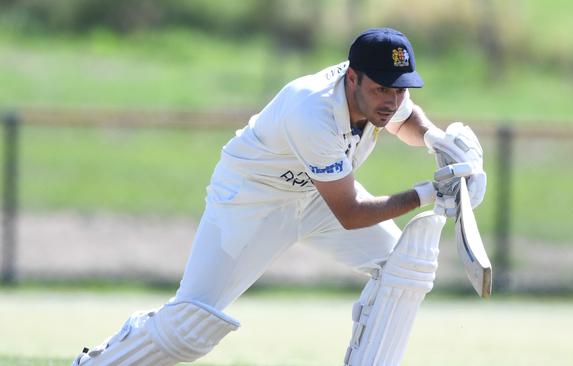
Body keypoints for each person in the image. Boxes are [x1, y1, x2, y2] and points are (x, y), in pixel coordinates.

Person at [72, 27, 487, 366]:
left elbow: (405, 116)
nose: (391, 101)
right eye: (382, 90)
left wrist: (437, 140)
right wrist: (431, 191)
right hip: (253, 200)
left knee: (404, 267)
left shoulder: (383, 90)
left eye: (399, 90)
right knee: (189, 328)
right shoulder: (311, 111)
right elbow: (350, 212)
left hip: (315, 195)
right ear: (353, 77)